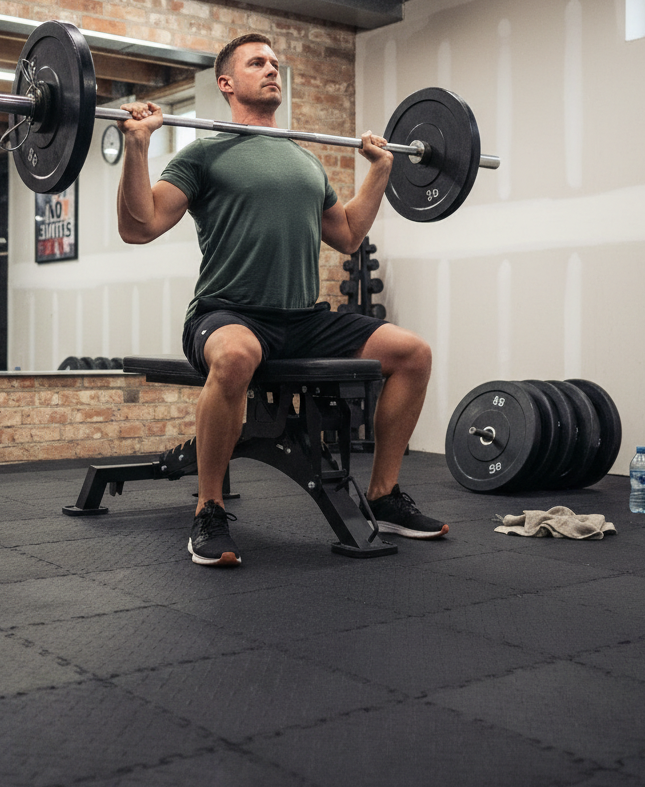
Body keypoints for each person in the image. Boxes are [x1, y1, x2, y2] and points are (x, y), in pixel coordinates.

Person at [117, 33, 446, 566]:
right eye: (257, 62)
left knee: (413, 354)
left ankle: (384, 496)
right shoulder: (202, 153)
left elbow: (347, 235)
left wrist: (381, 172)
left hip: (302, 318)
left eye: (274, 62)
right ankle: (209, 509)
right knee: (237, 357)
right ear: (227, 83)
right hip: (228, 312)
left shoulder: (304, 160)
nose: (272, 69)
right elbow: (140, 225)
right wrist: (136, 148)